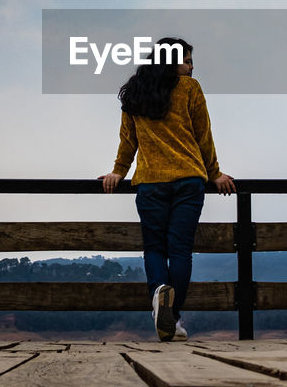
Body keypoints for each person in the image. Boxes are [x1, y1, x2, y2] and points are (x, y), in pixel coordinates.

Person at [99, 37, 236, 342]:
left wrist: (119, 171)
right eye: (187, 61)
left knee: (155, 248)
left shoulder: (135, 91)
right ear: (172, 61)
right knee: (180, 251)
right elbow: (204, 136)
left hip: (150, 183)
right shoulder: (190, 88)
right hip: (189, 181)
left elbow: (128, 140)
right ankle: (172, 319)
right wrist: (214, 173)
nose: (191, 67)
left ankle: (160, 294)